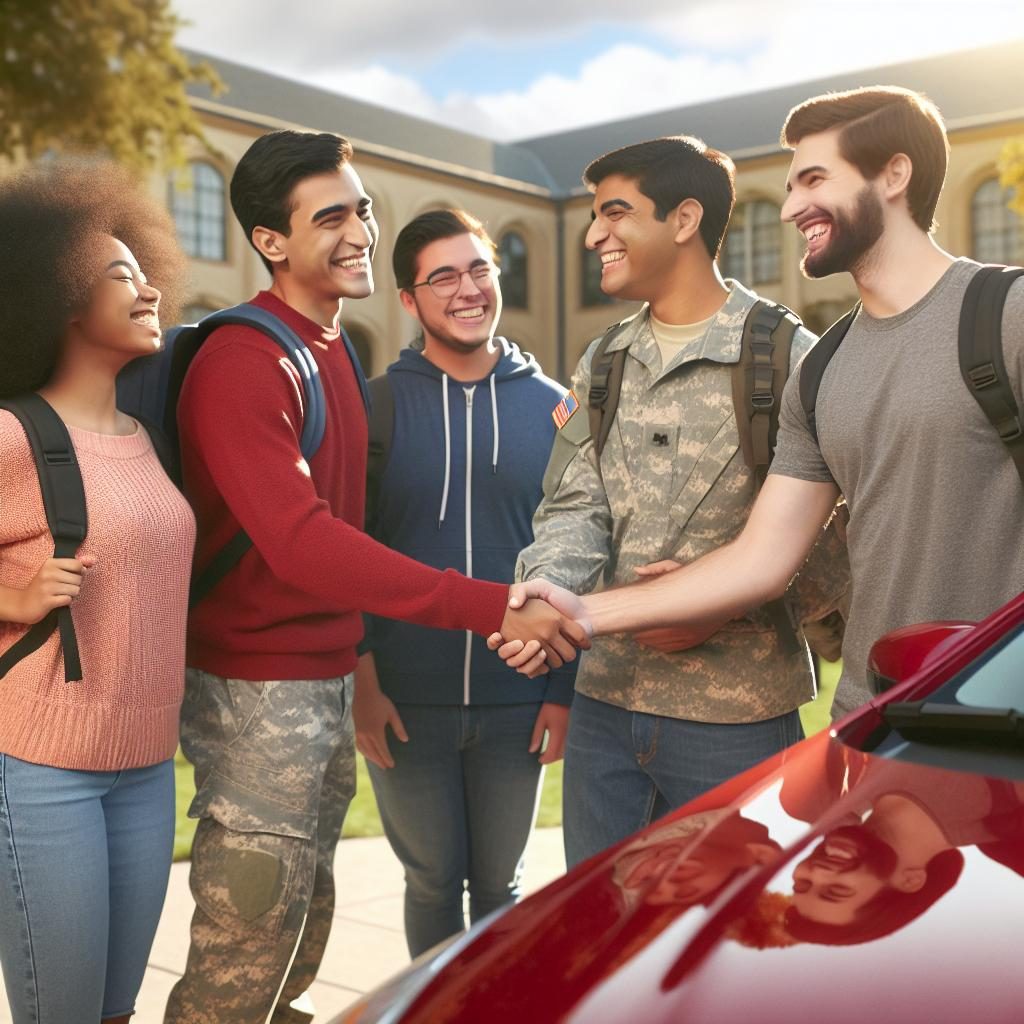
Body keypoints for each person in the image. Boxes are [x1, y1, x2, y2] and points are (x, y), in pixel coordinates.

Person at [165, 131, 585, 1024]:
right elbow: (307, 543)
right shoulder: (247, 360)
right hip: (257, 697)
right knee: (243, 955)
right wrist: (488, 606)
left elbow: (350, 537)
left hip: (317, 686)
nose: (359, 228)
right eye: (333, 216)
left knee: (295, 937)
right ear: (271, 242)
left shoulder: (329, 356)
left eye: (360, 208)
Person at [496, 88, 1024, 724]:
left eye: (813, 180)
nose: (791, 208)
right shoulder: (823, 369)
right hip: (873, 718)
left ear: (894, 174)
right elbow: (761, 559)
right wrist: (581, 611)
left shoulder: (1007, 316)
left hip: (1005, 717)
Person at [512, 135, 848, 866]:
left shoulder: (791, 359)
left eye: (614, 213)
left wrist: (722, 600)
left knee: (738, 949)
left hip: (736, 720)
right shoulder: (603, 361)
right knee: (600, 939)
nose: (595, 234)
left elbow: (835, 541)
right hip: (605, 708)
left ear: (685, 219)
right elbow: (575, 506)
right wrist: (546, 590)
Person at [0, 161, 194, 1024]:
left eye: (144, 270)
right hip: (41, 769)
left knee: (116, 1013)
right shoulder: (11, 434)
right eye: (123, 276)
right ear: (60, 297)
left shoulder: (146, 438)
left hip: (149, 767)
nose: (150, 289)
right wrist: (11, 593)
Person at [354, 208, 576, 957]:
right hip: (405, 700)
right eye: (442, 275)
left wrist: (562, 691)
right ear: (409, 302)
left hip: (521, 700)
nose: (467, 288)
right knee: (430, 884)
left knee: (501, 887)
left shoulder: (553, 406)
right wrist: (362, 680)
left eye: (479, 269)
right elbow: (346, 554)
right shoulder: (375, 407)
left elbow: (576, 557)